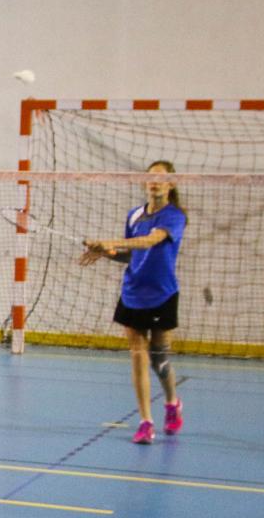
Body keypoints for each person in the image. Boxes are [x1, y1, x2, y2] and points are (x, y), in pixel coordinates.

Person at [80, 159, 186, 444]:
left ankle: (172, 402)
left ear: (171, 184)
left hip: (162, 293)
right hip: (132, 292)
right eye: (150, 177)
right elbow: (130, 255)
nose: (154, 182)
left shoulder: (175, 216)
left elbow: (150, 241)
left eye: (161, 178)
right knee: (138, 355)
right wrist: (106, 252)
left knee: (159, 359)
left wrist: (110, 241)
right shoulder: (134, 215)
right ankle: (146, 422)